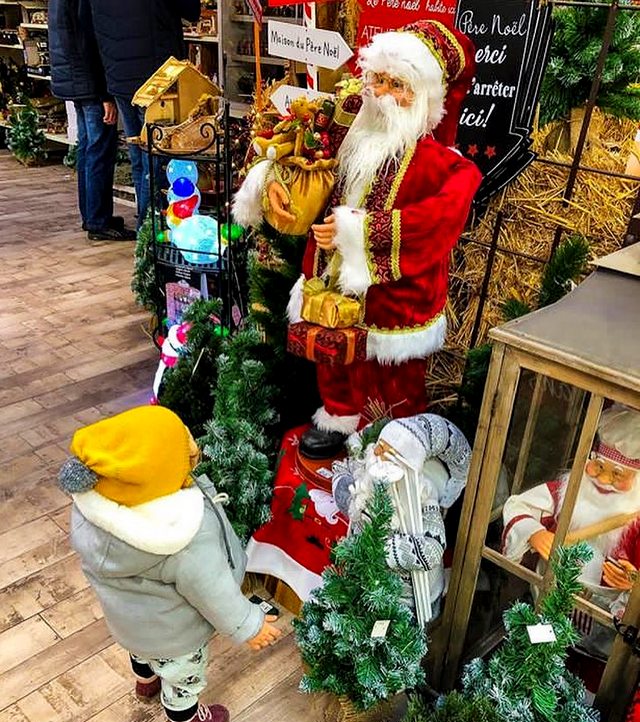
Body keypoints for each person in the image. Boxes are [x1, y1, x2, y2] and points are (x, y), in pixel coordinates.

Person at [233, 20, 482, 459]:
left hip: (395, 292)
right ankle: (339, 415)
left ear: (423, 97)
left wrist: (357, 233)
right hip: (329, 281)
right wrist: (271, 181)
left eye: (397, 85)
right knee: (333, 358)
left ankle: (391, 436)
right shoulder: (347, 131)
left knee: (393, 373)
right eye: (377, 80)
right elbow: (292, 152)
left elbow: (440, 219)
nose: (381, 93)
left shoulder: (440, 163)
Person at [57, 405, 281, 722]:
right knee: (182, 673)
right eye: (183, 448)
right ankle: (184, 721)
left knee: (141, 651)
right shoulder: (182, 536)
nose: (194, 448)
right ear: (156, 472)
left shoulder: (95, 508)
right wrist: (249, 625)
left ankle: (146, 681)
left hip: (130, 621)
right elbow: (213, 591)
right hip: (175, 633)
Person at [502, 404, 640, 655]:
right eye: (599, 467)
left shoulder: (635, 523)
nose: (603, 480)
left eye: (617, 475)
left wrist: (633, 584)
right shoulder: (566, 492)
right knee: (535, 656)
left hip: (601, 631)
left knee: (588, 668)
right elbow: (519, 506)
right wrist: (534, 532)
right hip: (547, 602)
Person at [87, 0, 201, 225]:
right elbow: (191, 11)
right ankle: (149, 231)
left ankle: (145, 224)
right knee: (156, 160)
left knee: (140, 157)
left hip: (119, 75)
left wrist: (104, 90)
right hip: (156, 78)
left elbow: (94, 30)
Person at [49, 0, 135, 241]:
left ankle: (92, 215)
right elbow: (89, 40)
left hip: (74, 78)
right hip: (89, 82)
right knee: (99, 151)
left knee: (88, 149)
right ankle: (98, 220)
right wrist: (104, 95)